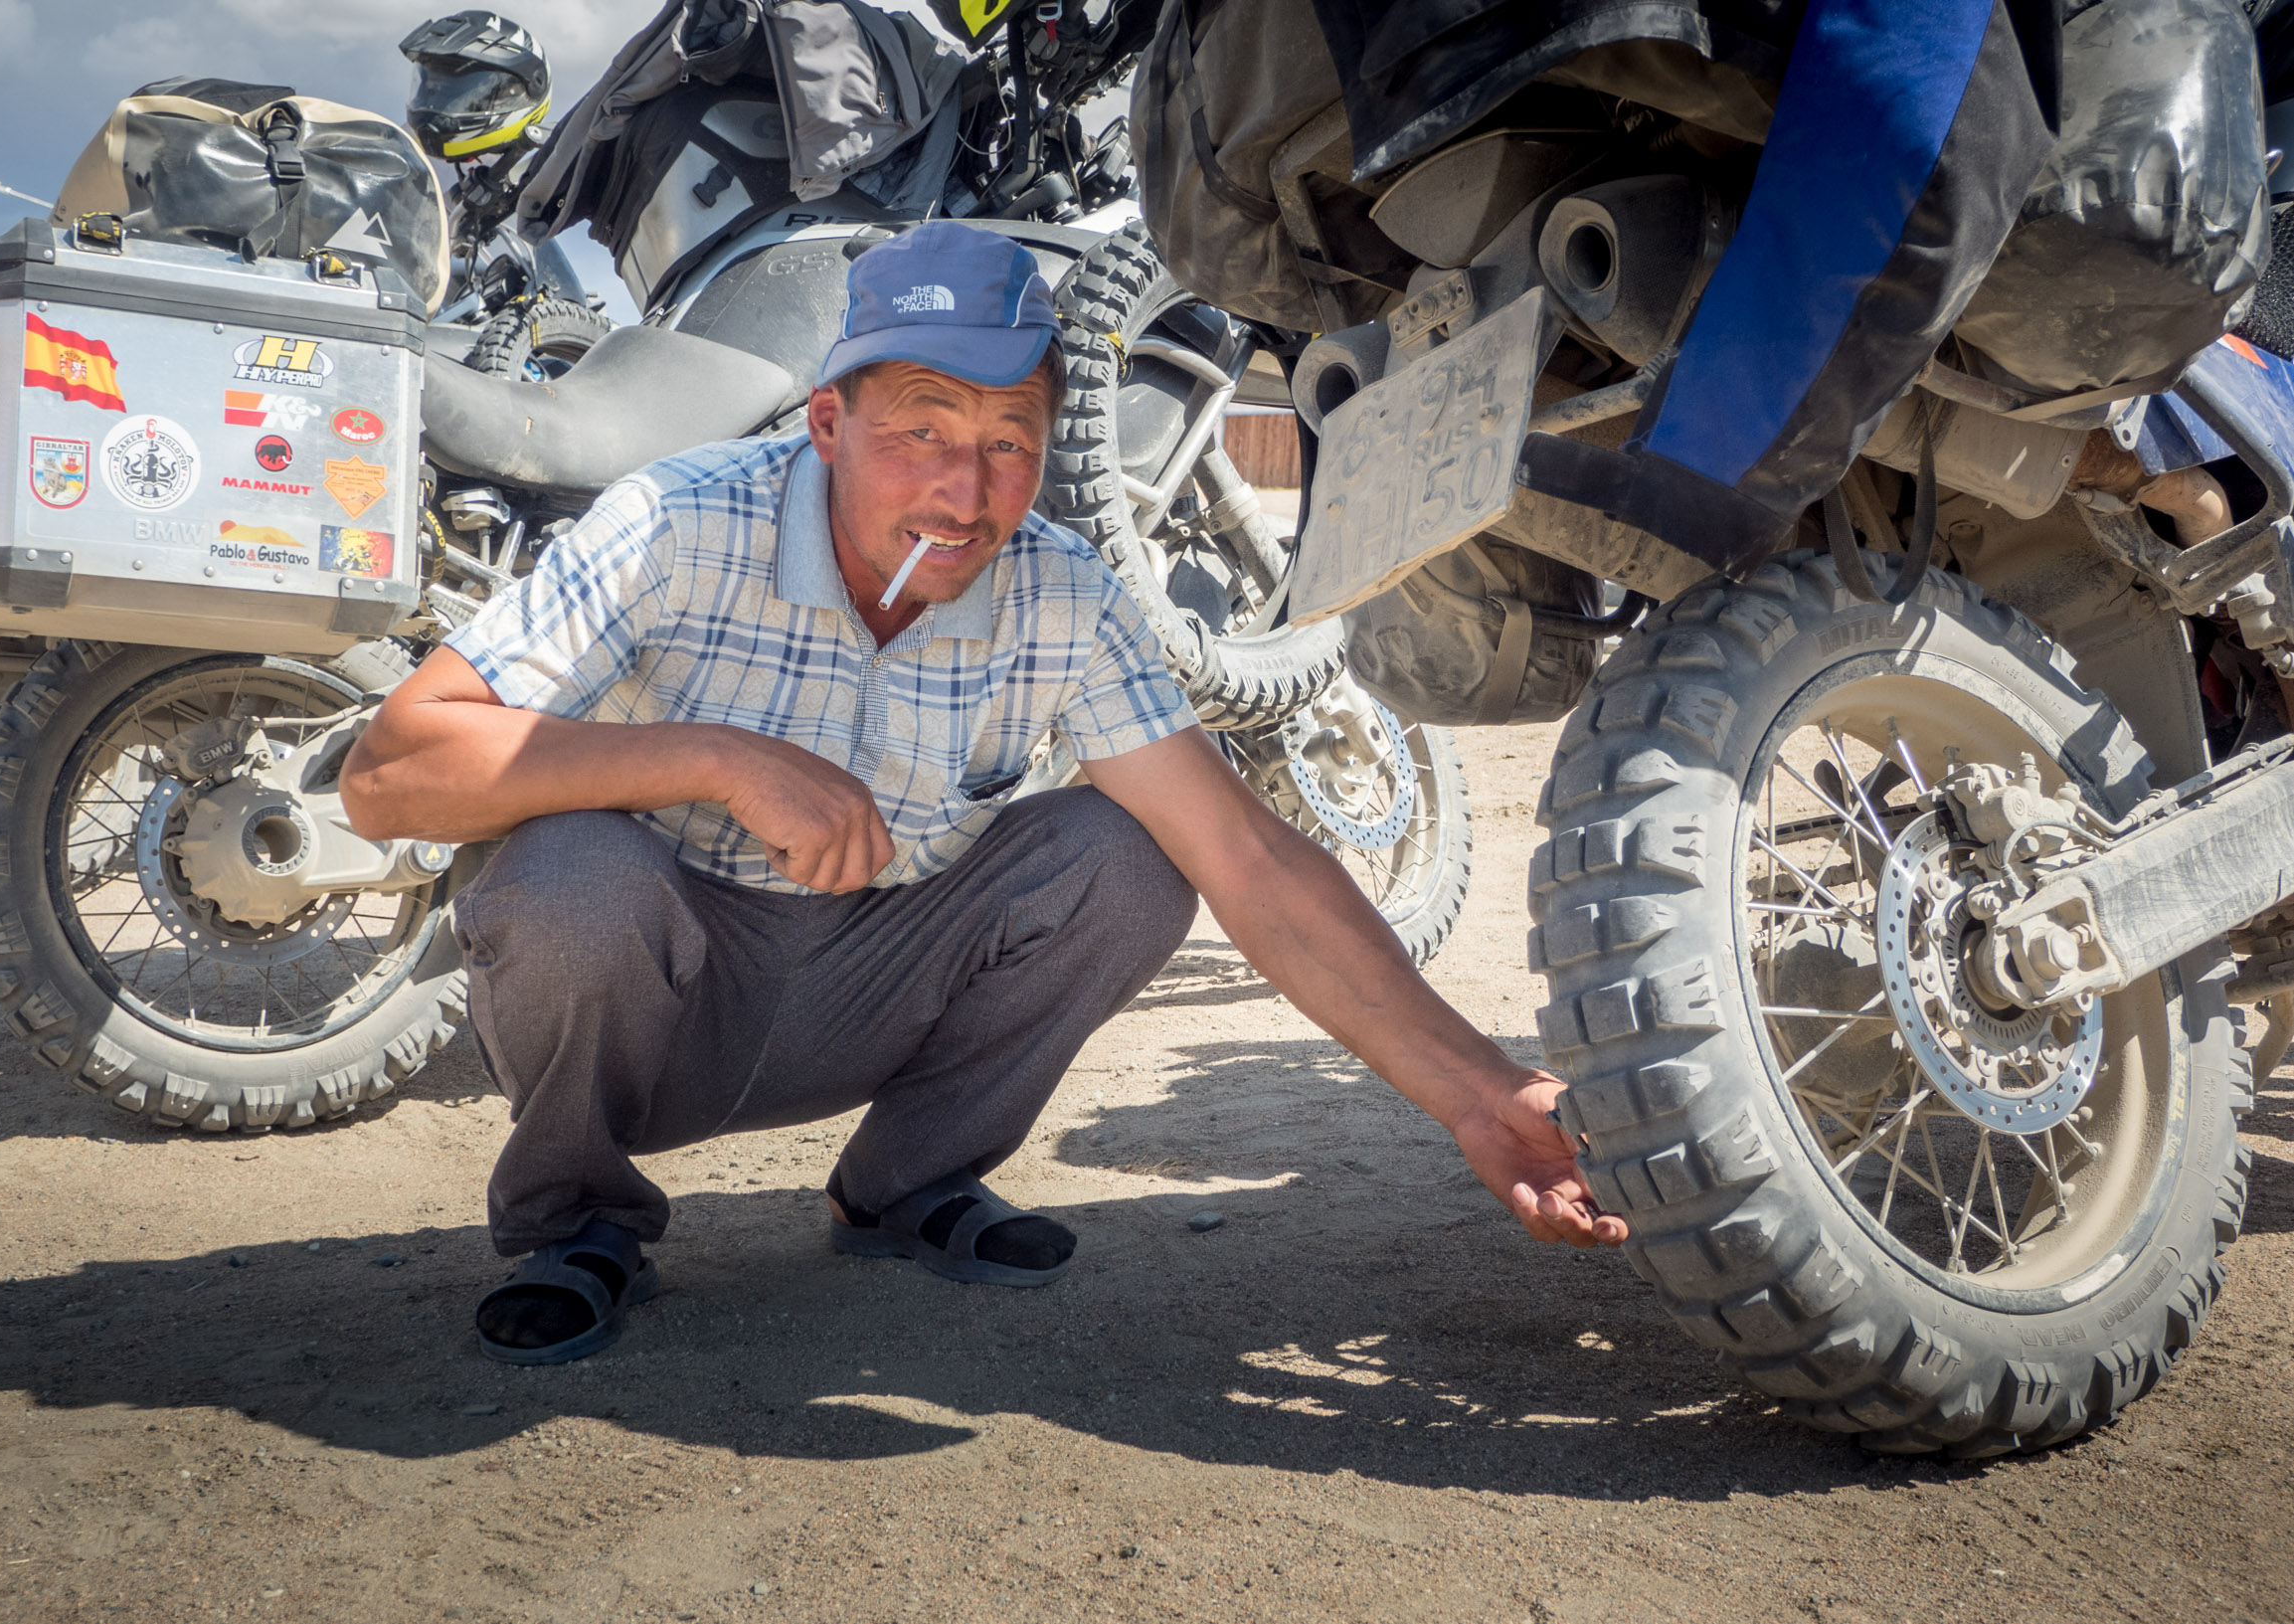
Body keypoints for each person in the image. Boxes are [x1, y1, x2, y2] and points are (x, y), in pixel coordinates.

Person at [339, 221, 1624, 1367]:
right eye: (922, 432)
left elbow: (1248, 858)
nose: (965, 493)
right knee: (567, 873)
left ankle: (909, 1181)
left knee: (1129, 852)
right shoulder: (677, 523)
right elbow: (392, 773)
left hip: (868, 987)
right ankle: (577, 1221)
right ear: (826, 424)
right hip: (659, 993)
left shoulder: (1064, 592)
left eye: (1009, 442)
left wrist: (1480, 1095)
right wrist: (719, 757)